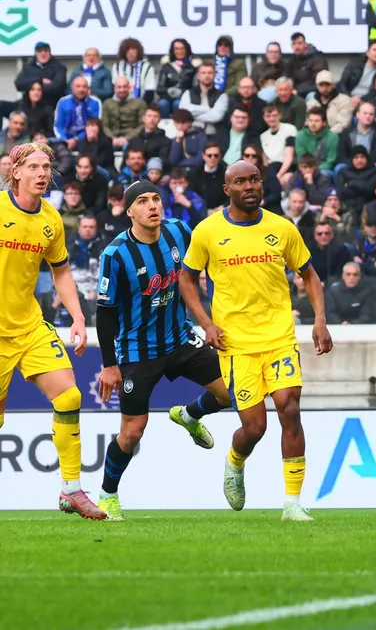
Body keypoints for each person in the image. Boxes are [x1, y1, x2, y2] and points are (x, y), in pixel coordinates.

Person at [179, 160, 333, 521]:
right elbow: (187, 279)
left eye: (254, 180)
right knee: (255, 427)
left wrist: (320, 320)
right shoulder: (208, 231)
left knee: (289, 408)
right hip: (236, 345)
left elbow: (308, 275)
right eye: (240, 181)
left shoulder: (282, 228)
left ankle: (292, 503)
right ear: (226, 189)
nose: (249, 186)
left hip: (279, 337)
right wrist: (205, 323)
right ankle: (235, 462)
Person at [92, 181, 231, 521]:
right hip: (138, 352)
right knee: (133, 431)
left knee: (229, 392)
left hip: (180, 338)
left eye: (156, 199)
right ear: (130, 212)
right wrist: (109, 365)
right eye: (143, 201)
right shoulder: (115, 254)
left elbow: (203, 268)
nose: (153, 205)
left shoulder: (179, 231)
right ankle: (107, 495)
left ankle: (189, 415)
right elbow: (105, 312)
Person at [0, 144, 101, 518]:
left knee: (70, 397)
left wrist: (77, 317)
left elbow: (60, 272)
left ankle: (71, 490)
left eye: (47, 167)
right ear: (17, 172)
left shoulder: (52, 220)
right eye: (35, 167)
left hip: (29, 326)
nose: (43, 173)